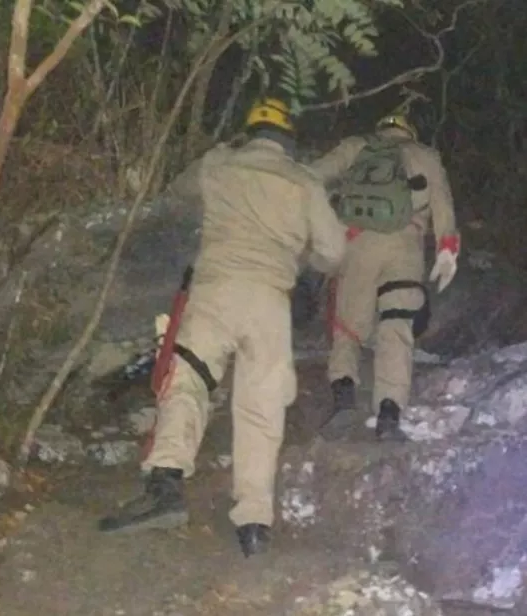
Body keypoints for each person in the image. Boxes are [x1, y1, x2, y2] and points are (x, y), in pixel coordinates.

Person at [97, 98, 347, 558]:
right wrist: (299, 257)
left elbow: (176, 194)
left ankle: (166, 484)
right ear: (289, 139)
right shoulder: (304, 182)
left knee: (187, 381)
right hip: (269, 303)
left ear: (249, 132)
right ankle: (254, 522)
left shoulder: (217, 165)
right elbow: (333, 252)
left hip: (214, 293)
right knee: (261, 406)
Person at [309, 113, 459, 440]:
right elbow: (443, 205)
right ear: (409, 131)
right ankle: (389, 414)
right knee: (396, 323)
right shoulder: (425, 155)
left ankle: (343, 398)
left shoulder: (355, 147)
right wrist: (448, 249)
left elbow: (311, 176)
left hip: (356, 245)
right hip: (404, 249)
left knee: (347, 327)